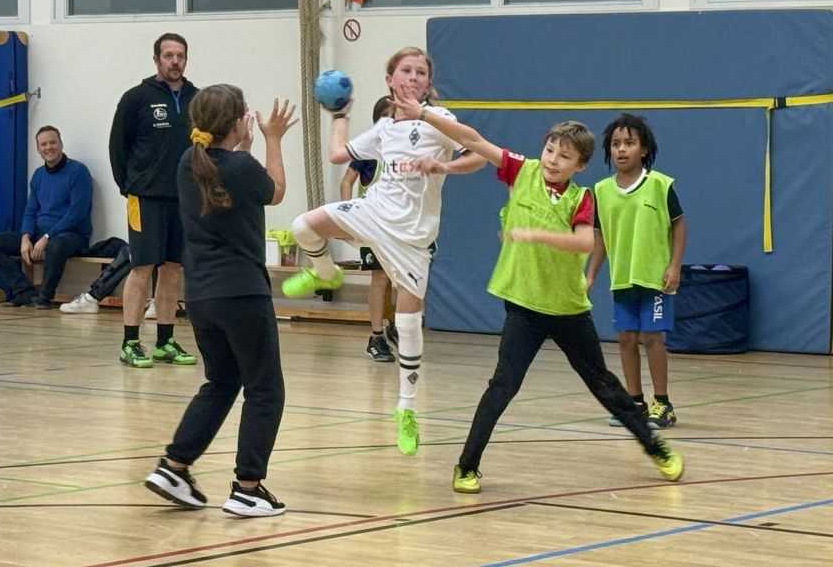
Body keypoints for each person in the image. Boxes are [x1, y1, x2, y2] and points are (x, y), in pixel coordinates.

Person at [389, 90, 684, 494]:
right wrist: (423, 112)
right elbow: (472, 139)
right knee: (502, 385)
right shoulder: (520, 170)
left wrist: (536, 235)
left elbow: (583, 244)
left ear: (579, 165)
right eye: (549, 150)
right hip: (524, 304)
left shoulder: (583, 198)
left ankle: (655, 448)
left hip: (566, 308)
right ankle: (466, 465)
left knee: (603, 384)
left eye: (564, 156)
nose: (552, 160)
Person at [280, 47, 484, 455]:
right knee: (304, 226)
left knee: (408, 325)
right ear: (391, 80)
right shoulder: (385, 128)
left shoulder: (440, 122)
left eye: (421, 72)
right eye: (405, 71)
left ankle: (406, 409)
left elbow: (479, 153)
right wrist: (339, 116)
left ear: (428, 83)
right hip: (374, 212)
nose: (413, 77)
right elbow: (340, 155)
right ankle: (324, 272)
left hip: (412, 238)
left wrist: (444, 167)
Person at [143, 86, 295, 517]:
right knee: (265, 389)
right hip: (242, 291)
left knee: (222, 382)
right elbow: (276, 190)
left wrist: (244, 147)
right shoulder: (241, 166)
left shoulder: (187, 163)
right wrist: (273, 138)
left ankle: (174, 466)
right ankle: (248, 487)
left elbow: (228, 174)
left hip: (202, 295)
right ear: (235, 123)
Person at [587, 114, 686, 429]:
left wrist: (674, 265)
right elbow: (600, 237)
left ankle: (663, 403)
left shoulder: (660, 185)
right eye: (616, 144)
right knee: (626, 338)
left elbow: (679, 224)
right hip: (622, 278)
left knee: (652, 337)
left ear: (643, 149)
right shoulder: (601, 191)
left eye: (629, 143)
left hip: (654, 278)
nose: (621, 149)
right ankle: (634, 402)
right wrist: (590, 274)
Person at [108, 33, 197, 367]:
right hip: (144, 197)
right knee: (142, 266)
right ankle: (130, 342)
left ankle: (165, 340)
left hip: (183, 198)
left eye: (180, 56)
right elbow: (118, 147)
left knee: (173, 269)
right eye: (168, 55)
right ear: (157, 59)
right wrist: (128, 186)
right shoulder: (136, 98)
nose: (175, 61)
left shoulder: (196, 99)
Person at [0, 126, 92, 309]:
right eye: (43, 144)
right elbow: (30, 211)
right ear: (38, 149)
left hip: (72, 236)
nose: (49, 147)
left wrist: (47, 237)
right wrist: (25, 237)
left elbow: (77, 213)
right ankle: (24, 292)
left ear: (61, 144)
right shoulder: (38, 175)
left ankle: (45, 297)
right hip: (39, 234)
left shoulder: (78, 172)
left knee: (56, 245)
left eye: (53, 142)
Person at [339, 96, 398, 363]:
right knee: (380, 278)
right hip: (373, 222)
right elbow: (346, 181)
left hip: (399, 224)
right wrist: (347, 215)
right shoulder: (369, 151)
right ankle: (375, 336)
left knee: (401, 279)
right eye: (390, 116)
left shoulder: (406, 149)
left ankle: (392, 324)